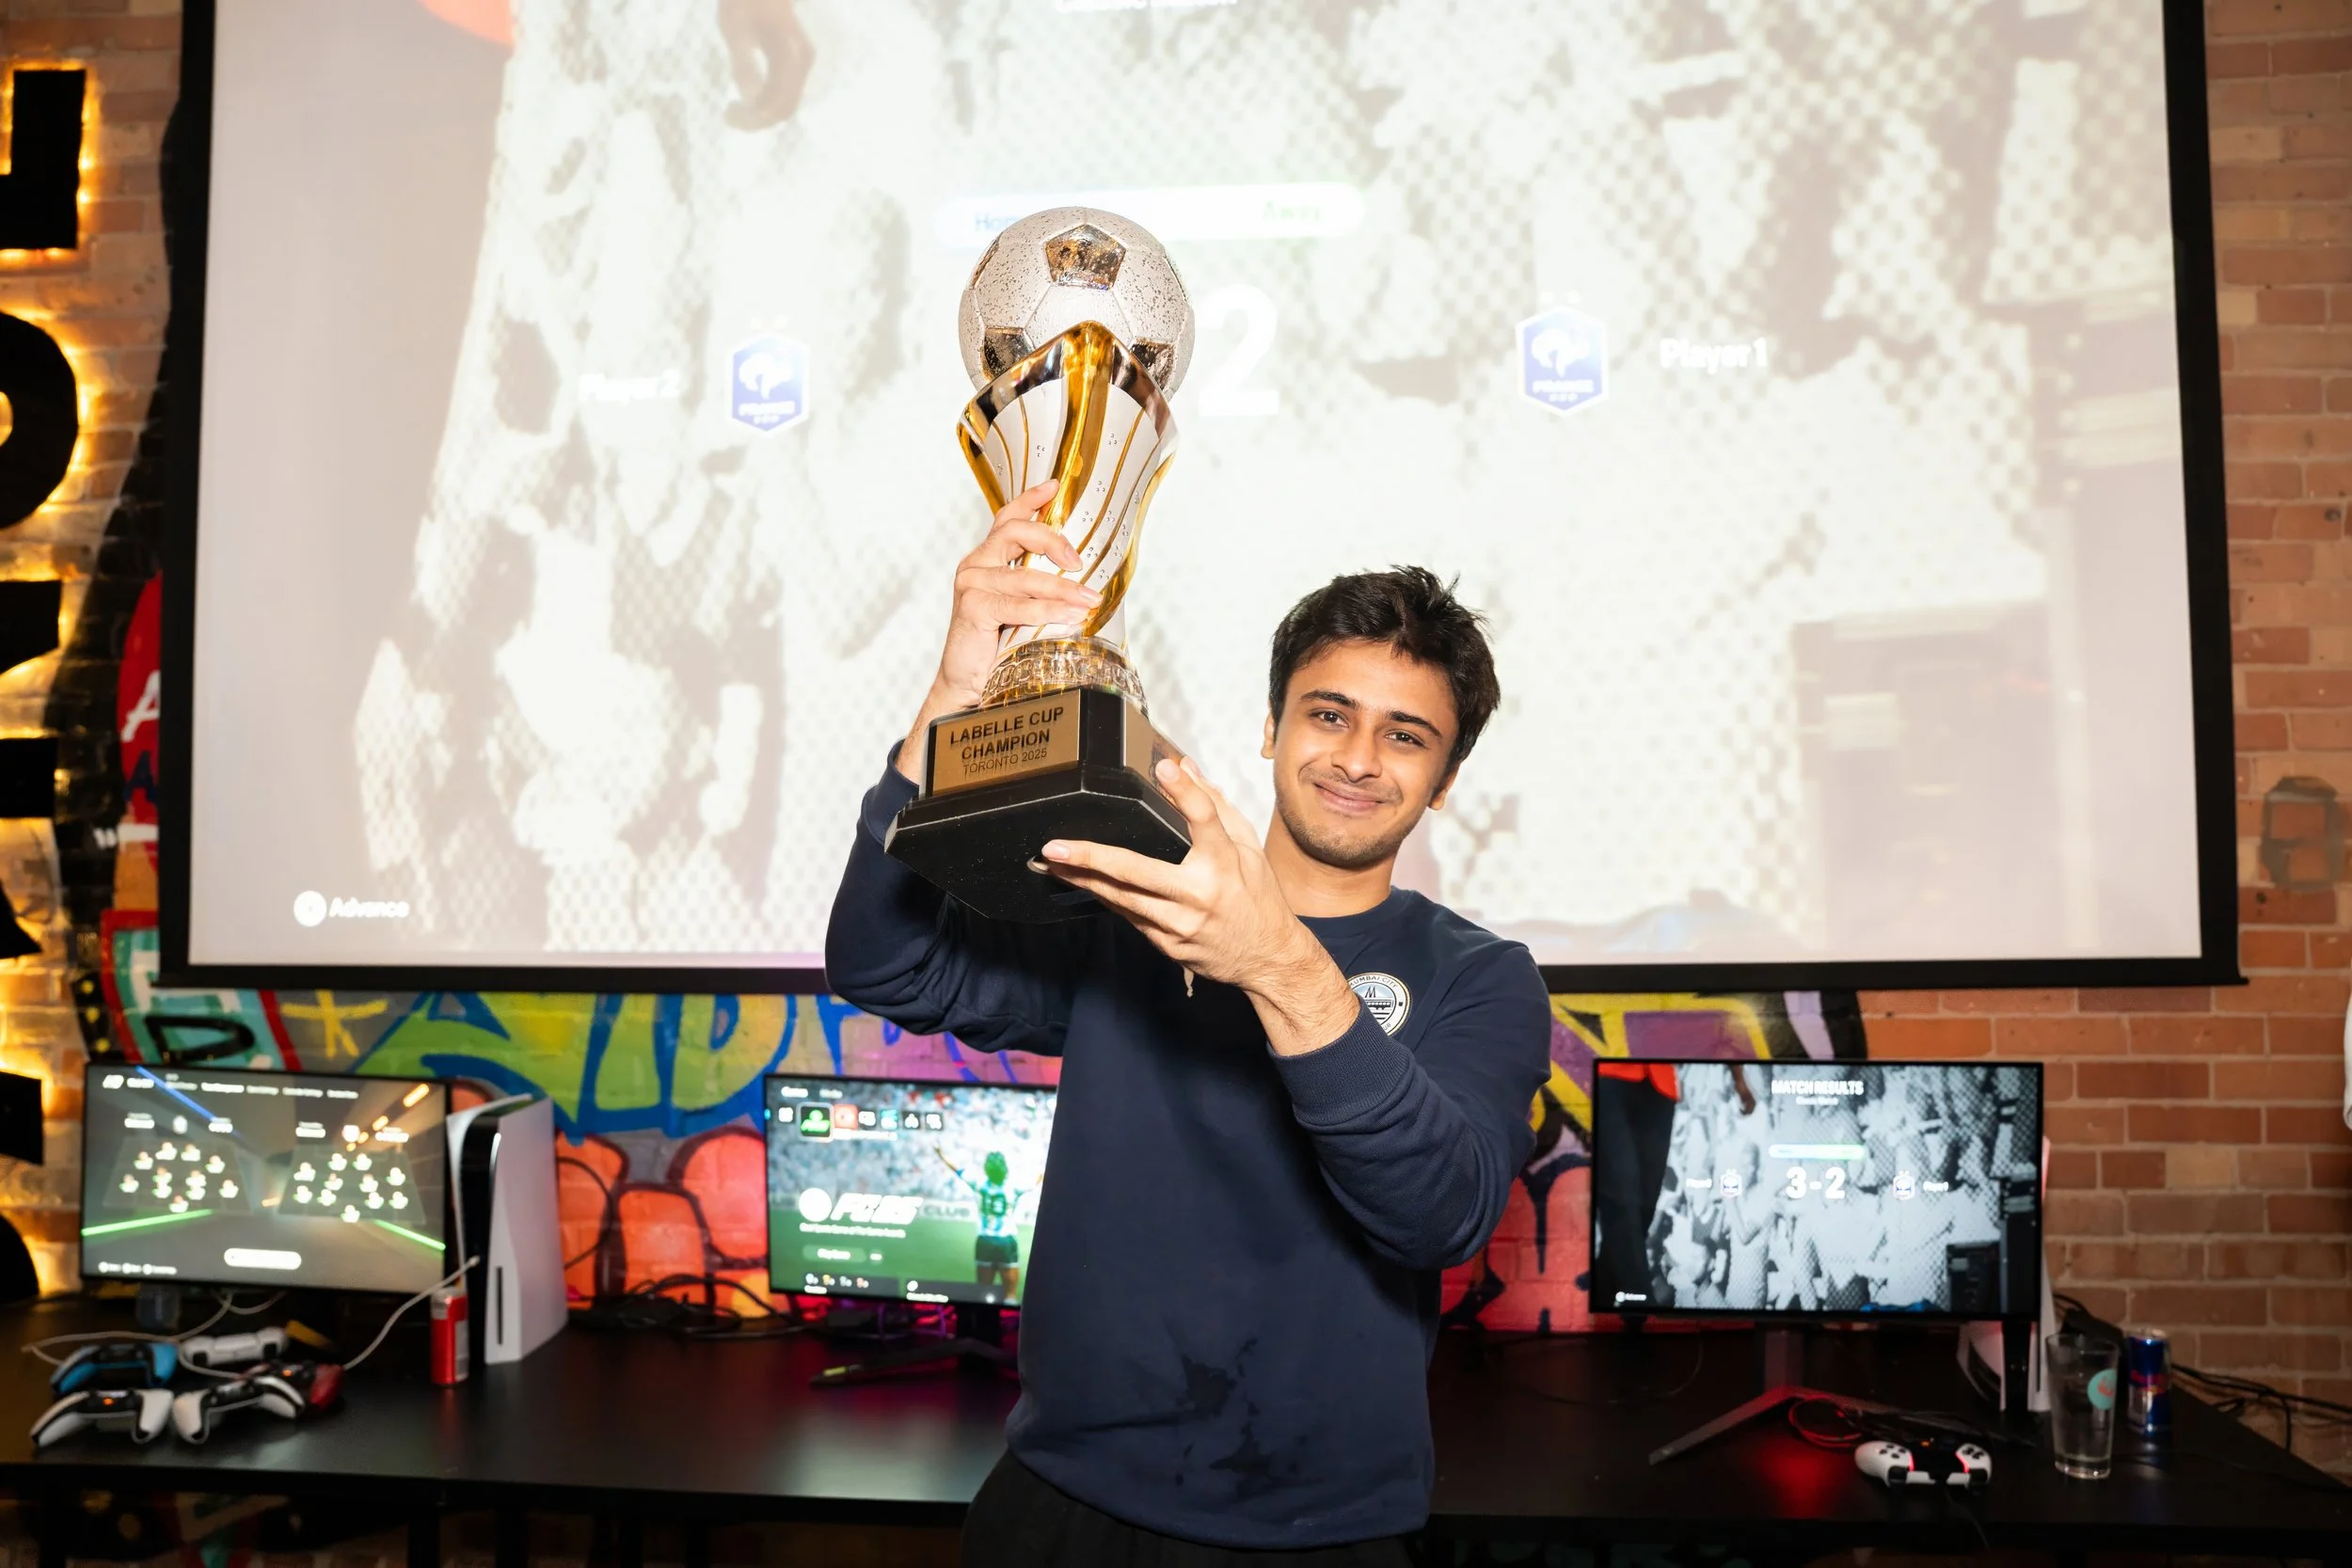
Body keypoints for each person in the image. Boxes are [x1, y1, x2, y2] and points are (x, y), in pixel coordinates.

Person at [827, 488, 1551, 1563]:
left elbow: (1437, 1211)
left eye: (1405, 736)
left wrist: (1270, 957)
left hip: (1321, 1534)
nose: (1357, 757)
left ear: (1442, 782)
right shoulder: (1132, 911)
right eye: (1328, 713)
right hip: (1061, 1498)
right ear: (1269, 729)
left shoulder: (1484, 978)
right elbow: (885, 960)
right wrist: (951, 702)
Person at [938, 1147, 1030, 1299]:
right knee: (1010, 1294)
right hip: (1006, 1241)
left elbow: (957, 1169)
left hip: (985, 1240)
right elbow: (1039, 1178)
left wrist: (941, 1154)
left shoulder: (978, 1183)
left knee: (984, 1292)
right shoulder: (1014, 1187)